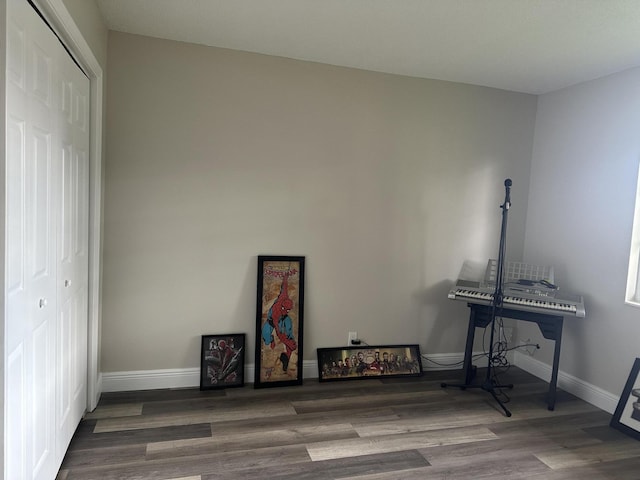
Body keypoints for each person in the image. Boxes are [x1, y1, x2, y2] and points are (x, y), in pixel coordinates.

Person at [261, 272, 297, 372]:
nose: (288, 311)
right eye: (286, 309)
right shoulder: (276, 313)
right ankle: (271, 340)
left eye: (289, 310)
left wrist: (285, 277)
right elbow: (280, 333)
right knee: (266, 336)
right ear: (282, 307)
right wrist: (285, 342)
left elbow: (284, 287)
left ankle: (286, 359)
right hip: (272, 322)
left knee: (290, 338)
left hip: (284, 320)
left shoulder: (283, 297)